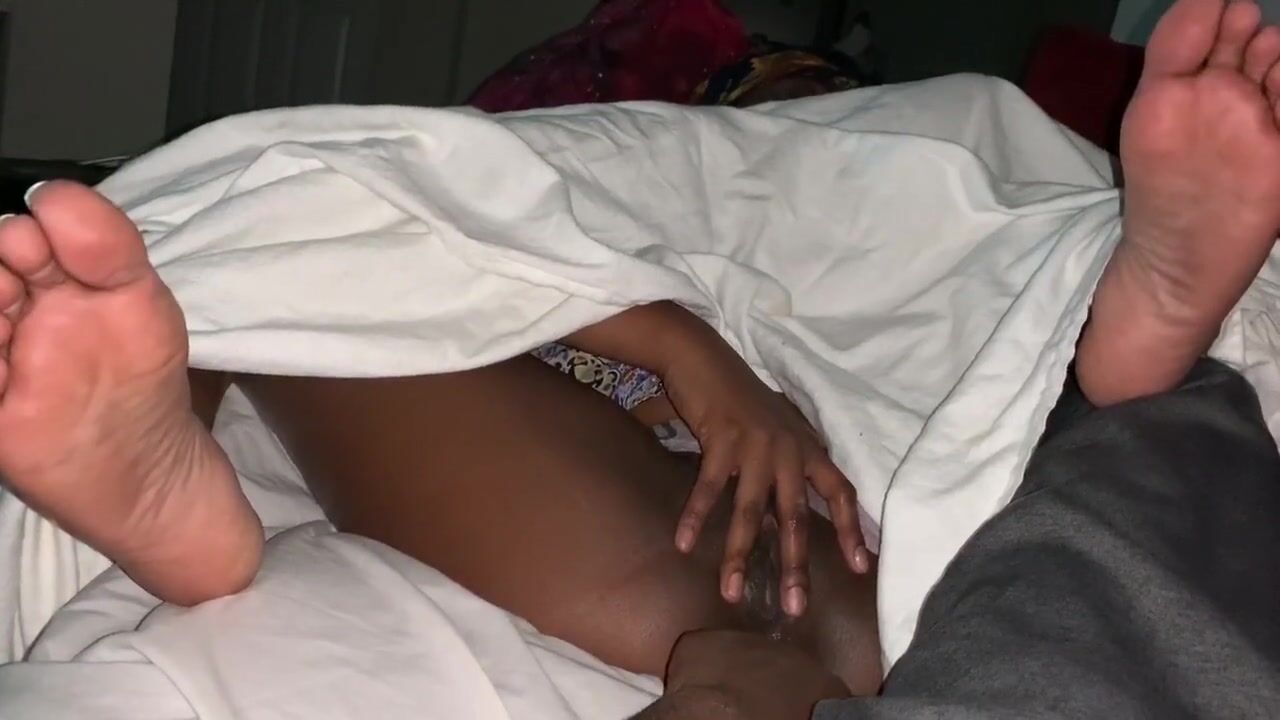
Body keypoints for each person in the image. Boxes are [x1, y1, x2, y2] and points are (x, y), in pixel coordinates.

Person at [1, 0, 1279, 714]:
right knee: (306, 246)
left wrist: (704, 336)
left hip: (718, 546)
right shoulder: (603, 112)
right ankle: (1112, 389)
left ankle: (1110, 358)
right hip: (704, 530)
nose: (797, 112)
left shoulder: (825, 144)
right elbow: (503, 201)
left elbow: (842, 206)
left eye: (811, 94)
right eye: (772, 97)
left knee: (277, 234)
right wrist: (680, 342)